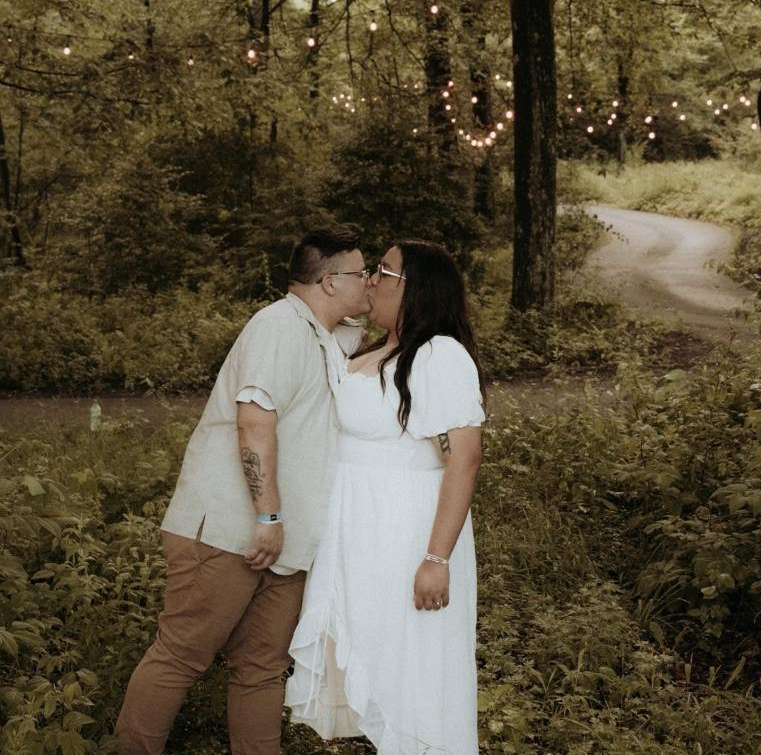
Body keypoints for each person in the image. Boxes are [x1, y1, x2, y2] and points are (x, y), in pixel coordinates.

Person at [114, 227, 370, 755]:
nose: (370, 281)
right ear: (328, 282)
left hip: (287, 544)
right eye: (362, 272)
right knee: (181, 656)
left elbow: (373, 329)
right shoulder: (277, 327)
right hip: (233, 531)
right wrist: (268, 516)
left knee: (262, 668)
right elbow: (253, 422)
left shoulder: (326, 337)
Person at [286, 238, 486, 752]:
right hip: (356, 534)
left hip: (404, 534)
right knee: (376, 657)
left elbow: (463, 458)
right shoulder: (372, 349)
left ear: (418, 288)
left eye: (384, 271)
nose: (371, 280)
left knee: (414, 669)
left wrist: (436, 558)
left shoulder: (439, 355)